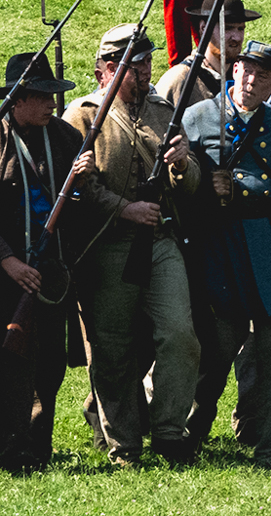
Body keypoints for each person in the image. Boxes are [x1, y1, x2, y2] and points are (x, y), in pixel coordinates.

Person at [66, 25, 202, 467]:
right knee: (112, 349)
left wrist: (183, 163)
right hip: (108, 243)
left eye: (147, 62)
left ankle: (168, 431)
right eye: (135, 65)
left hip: (160, 238)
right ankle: (123, 444)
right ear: (109, 69)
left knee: (181, 336)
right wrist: (124, 210)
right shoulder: (83, 115)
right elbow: (78, 185)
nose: (146, 72)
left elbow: (192, 181)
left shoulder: (164, 111)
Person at [179, 41, 271, 466]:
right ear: (234, 71)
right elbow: (181, 187)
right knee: (217, 351)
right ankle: (186, 435)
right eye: (245, 70)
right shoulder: (199, 117)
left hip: (263, 244)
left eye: (261, 76)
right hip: (218, 243)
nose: (250, 80)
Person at [0, 52, 86, 473]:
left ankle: (38, 446)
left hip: (51, 272)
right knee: (11, 364)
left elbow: (85, 203)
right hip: (7, 273)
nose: (52, 103)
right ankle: (9, 447)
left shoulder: (66, 138)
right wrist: (8, 261)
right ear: (17, 101)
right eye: (42, 96)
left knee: (50, 365)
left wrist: (83, 179)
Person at [156, 0, 258, 103]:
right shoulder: (179, 80)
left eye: (240, 29)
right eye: (227, 28)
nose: (237, 38)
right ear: (204, 28)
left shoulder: (247, 77)